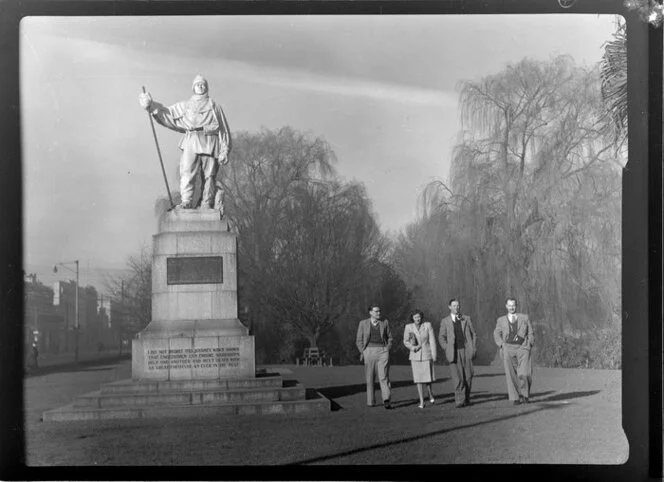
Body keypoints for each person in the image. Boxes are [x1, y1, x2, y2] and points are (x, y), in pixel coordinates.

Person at [138, 74, 232, 211]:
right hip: (191, 140)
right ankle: (186, 201)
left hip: (210, 141)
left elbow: (223, 129)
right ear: (193, 87)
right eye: (198, 84)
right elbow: (167, 112)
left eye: (203, 84)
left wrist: (225, 150)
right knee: (187, 171)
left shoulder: (214, 106)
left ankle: (207, 202)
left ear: (207, 87)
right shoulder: (186, 105)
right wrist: (151, 106)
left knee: (209, 175)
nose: (201, 86)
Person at [493, 297, 535, 405]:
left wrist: (529, 343)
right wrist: (501, 344)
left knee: (525, 373)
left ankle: (525, 395)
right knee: (511, 374)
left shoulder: (524, 318)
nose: (512, 307)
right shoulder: (500, 320)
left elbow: (530, 332)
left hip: (522, 348)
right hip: (508, 348)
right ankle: (515, 398)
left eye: (514, 305)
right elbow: (496, 333)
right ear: (506, 306)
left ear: (516, 306)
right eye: (510, 305)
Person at [439, 299, 477, 407]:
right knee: (458, 378)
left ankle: (467, 399)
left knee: (468, 376)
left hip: (466, 351)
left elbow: (474, 334)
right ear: (449, 307)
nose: (456, 307)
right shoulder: (445, 321)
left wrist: (473, 347)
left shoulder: (466, 319)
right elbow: (441, 337)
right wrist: (446, 348)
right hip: (453, 353)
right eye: (454, 305)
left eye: (458, 305)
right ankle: (460, 401)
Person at [356, 305, 393, 409]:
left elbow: (390, 338)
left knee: (384, 377)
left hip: (383, 351)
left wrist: (387, 349)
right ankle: (371, 401)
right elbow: (358, 340)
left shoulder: (384, 323)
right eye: (376, 311)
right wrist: (363, 351)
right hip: (369, 352)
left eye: (379, 311)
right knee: (370, 378)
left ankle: (386, 400)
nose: (379, 313)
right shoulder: (363, 323)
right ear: (370, 312)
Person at [403, 309, 437, 409]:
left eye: (419, 317)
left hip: (427, 354)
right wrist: (413, 348)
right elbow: (405, 341)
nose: (417, 319)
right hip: (415, 356)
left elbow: (432, 341)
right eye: (415, 317)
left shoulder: (427, 325)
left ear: (421, 317)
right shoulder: (408, 327)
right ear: (412, 318)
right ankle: (422, 401)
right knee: (418, 380)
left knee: (428, 378)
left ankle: (430, 393)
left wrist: (434, 355)